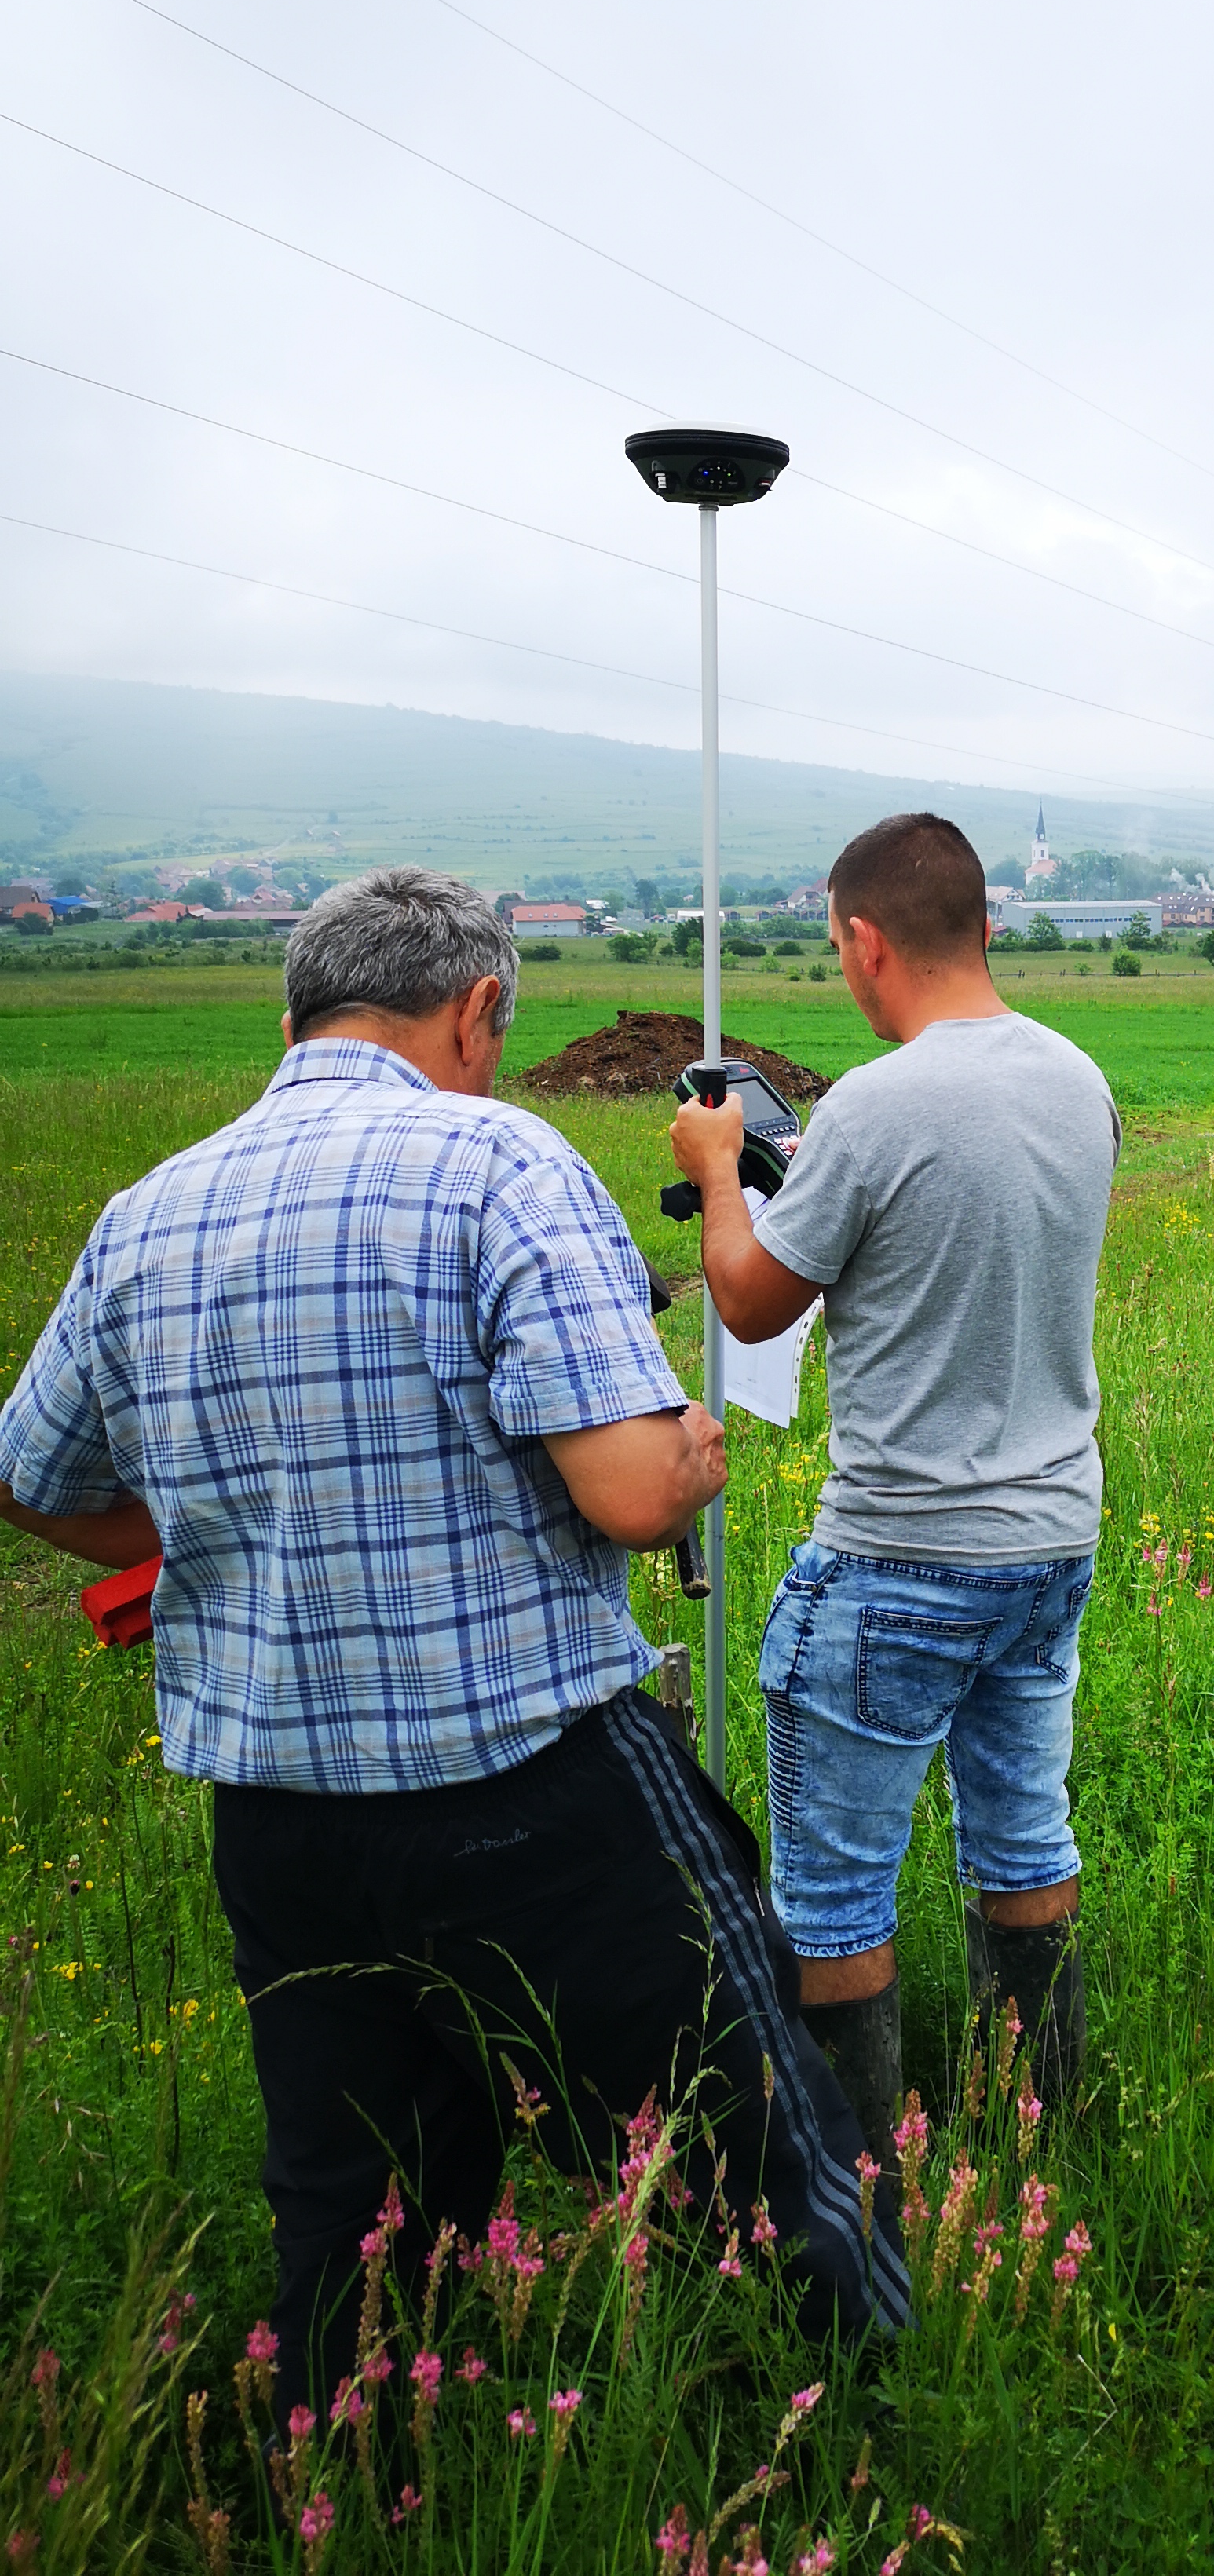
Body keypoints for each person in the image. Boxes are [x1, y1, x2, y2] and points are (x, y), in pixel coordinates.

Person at [0, 866, 905, 2415]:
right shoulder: (494, 1162)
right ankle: (868, 2417)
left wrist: (237, 1533)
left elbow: (38, 1481)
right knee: (739, 2131)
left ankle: (356, 2459)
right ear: (478, 1010)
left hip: (281, 1818)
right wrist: (692, 1449)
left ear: (297, 1013)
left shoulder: (143, 1214)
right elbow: (625, 1495)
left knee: (355, 2198)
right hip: (533, 1786)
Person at [669, 815, 1118, 2169]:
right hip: (1049, 1541)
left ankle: (846, 2203)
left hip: (903, 1554)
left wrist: (717, 1171)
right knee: (1025, 1838)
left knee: (833, 1896)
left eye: (837, 949)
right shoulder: (1078, 1079)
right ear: (985, 926)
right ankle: (1047, 2131)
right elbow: (965, 1234)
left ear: (866, 943)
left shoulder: (875, 1101)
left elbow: (751, 1302)